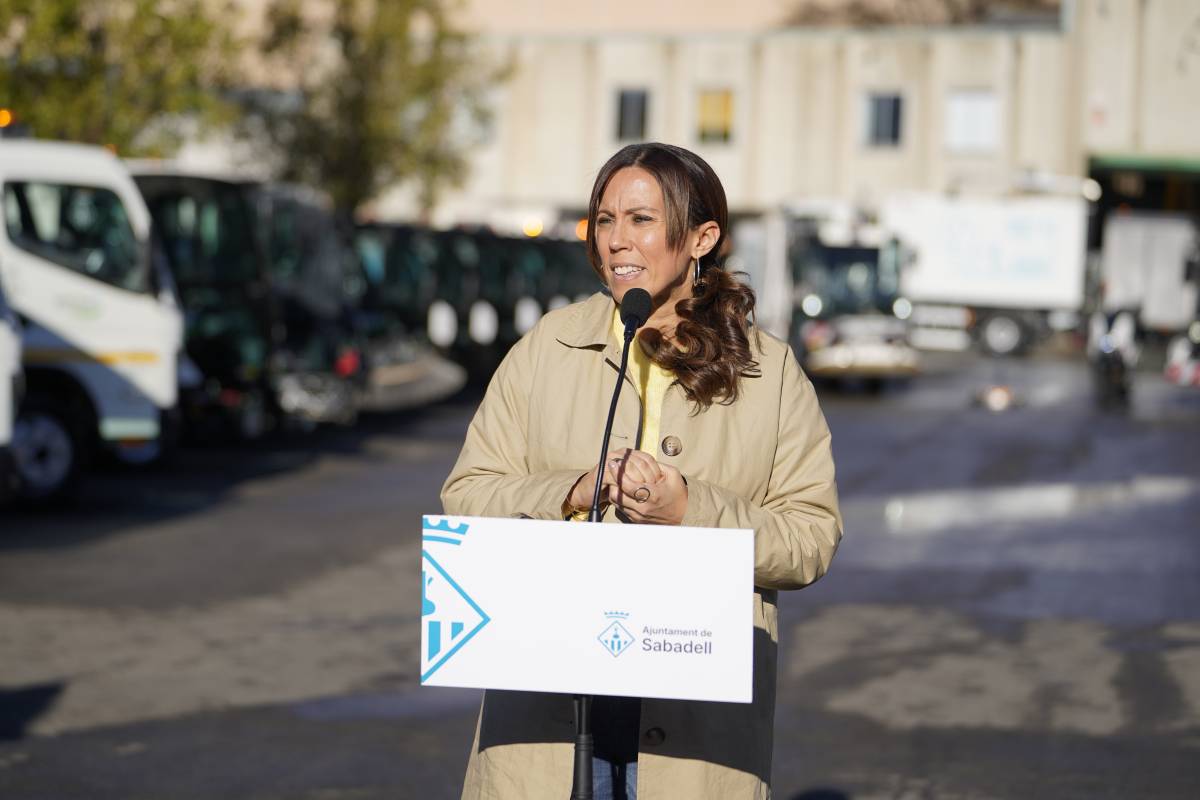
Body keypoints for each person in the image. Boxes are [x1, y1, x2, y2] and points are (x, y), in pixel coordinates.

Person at [442, 142, 842, 800]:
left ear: (701, 238)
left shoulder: (768, 374)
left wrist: (692, 511)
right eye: (603, 220)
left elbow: (811, 538)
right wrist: (569, 491)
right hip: (549, 722)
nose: (616, 241)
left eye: (641, 219)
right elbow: (466, 500)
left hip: (695, 736)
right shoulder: (547, 348)